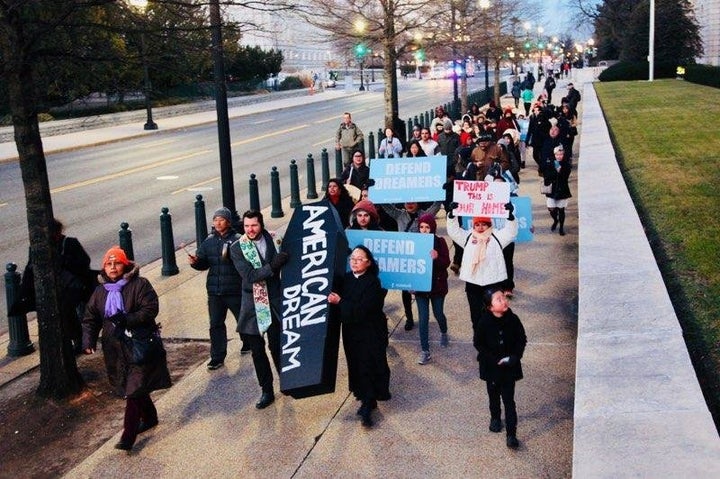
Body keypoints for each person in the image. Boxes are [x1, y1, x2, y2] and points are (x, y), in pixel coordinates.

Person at [82, 246, 171, 451]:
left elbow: (150, 309)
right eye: (109, 264)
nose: (113, 267)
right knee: (135, 388)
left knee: (133, 391)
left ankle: (127, 436)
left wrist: (127, 320)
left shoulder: (140, 284)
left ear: (125, 265)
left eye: (117, 263)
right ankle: (149, 417)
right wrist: (88, 341)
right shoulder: (99, 291)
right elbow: (90, 318)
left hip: (139, 345)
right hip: (115, 349)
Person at [230, 210, 288, 409]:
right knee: (257, 351)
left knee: (277, 345)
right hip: (252, 305)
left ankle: (286, 381)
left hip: (274, 300)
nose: (250, 230)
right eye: (246, 226)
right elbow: (250, 275)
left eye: (254, 225)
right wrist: (273, 266)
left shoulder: (275, 239)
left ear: (261, 224)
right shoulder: (237, 248)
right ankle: (266, 390)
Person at [328, 246, 390, 428]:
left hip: (370, 331)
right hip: (351, 332)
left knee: (369, 364)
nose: (354, 262)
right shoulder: (345, 279)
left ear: (368, 263)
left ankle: (368, 403)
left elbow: (364, 309)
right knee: (355, 364)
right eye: (352, 259)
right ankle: (364, 396)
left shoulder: (373, 283)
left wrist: (340, 302)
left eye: (359, 259)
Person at [17, 218, 94, 353]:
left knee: (66, 311)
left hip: (71, 287)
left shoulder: (69, 243)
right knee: (63, 314)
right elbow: (30, 269)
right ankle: (72, 339)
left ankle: (75, 339)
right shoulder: (37, 248)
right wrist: (24, 292)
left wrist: (64, 263)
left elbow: (84, 262)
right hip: (51, 288)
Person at [188, 207, 245, 370]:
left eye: (221, 219)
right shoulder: (208, 241)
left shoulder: (238, 240)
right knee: (215, 324)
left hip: (234, 289)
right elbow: (203, 263)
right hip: (215, 291)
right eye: (215, 220)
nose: (218, 222)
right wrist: (195, 262)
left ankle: (247, 342)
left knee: (242, 319)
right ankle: (217, 356)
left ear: (228, 222)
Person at [446, 204, 518, 327]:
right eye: (477, 224)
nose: (480, 227)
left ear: (489, 225)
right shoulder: (468, 237)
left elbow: (511, 232)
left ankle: (495, 339)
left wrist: (510, 217)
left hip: (493, 282)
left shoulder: (497, 237)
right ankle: (479, 339)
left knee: (494, 313)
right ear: (473, 225)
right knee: (476, 315)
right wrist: (452, 215)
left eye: (484, 224)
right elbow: (453, 232)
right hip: (473, 283)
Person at [472, 287, 527, 449]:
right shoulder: (484, 321)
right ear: (490, 307)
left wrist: (515, 357)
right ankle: (495, 417)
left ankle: (511, 434)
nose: (504, 301)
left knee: (509, 401)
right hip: (491, 368)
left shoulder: (513, 319)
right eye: (498, 299)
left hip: (509, 368)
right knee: (493, 394)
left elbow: (521, 339)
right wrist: (493, 359)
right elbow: (478, 343)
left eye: (503, 297)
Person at [381, 201, 442, 331]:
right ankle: (409, 317)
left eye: (413, 202)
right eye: (407, 202)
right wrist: (376, 190)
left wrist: (442, 191)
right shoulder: (399, 215)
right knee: (405, 290)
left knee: (422, 290)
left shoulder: (425, 215)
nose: (409, 204)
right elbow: (386, 206)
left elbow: (436, 206)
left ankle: (427, 314)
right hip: (406, 257)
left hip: (421, 258)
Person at [414, 214, 450, 365]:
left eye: (427, 227)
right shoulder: (415, 242)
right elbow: (410, 265)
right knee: (423, 319)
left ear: (432, 228)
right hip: (421, 288)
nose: (424, 230)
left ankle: (444, 331)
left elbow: (446, 263)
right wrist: (410, 285)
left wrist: (437, 258)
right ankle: (425, 351)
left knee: (438, 314)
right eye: (421, 227)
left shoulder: (440, 242)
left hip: (437, 286)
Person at [542, 145, 572, 236]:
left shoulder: (566, 164)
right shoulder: (550, 163)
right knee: (551, 208)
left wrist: (560, 171)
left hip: (562, 189)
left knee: (561, 209)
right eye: (557, 154)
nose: (559, 156)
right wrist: (554, 172)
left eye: (561, 154)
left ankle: (561, 228)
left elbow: (566, 177)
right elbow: (546, 175)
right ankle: (555, 220)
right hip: (552, 189)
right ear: (554, 155)